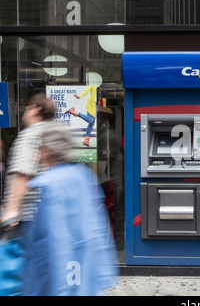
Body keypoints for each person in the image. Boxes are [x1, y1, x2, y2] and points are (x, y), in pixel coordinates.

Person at [21, 124, 118, 295]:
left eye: (40, 148)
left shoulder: (49, 184)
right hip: (83, 273)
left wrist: (63, 288)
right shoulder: (83, 176)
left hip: (61, 279)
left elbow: (59, 241)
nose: (37, 152)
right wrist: (104, 273)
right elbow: (97, 229)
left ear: (47, 151)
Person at [0, 93, 56, 234]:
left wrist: (11, 211)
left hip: (28, 216)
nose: (24, 114)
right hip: (49, 213)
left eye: (27, 108)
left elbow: (23, 174)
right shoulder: (54, 135)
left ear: (36, 110)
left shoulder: (30, 135)